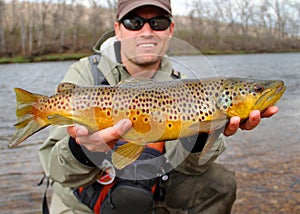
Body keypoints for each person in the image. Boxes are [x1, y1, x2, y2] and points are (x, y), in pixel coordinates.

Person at [38, 0, 279, 213]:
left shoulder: (183, 82)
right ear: (118, 29)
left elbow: (192, 169)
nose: (146, 31)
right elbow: (55, 171)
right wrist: (82, 150)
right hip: (91, 193)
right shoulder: (85, 73)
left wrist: (199, 138)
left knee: (220, 183)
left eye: (158, 22)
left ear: (171, 29)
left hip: (154, 181)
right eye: (134, 22)